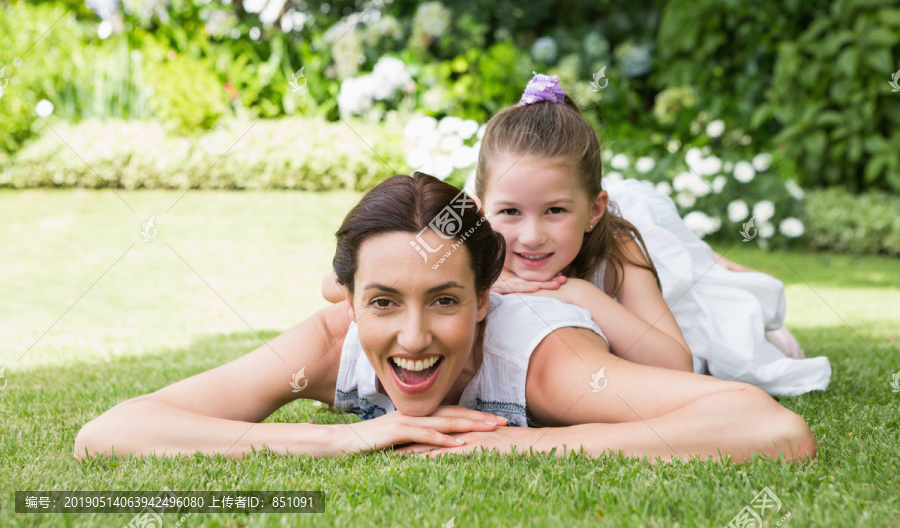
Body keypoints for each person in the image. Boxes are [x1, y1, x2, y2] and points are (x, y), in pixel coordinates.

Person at [74, 173, 815, 463]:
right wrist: (364, 435)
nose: (414, 338)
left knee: (747, 332)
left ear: (486, 299)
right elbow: (107, 434)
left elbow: (770, 427)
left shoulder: (544, 362)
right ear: (352, 298)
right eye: (384, 302)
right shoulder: (332, 344)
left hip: (644, 308)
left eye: (446, 301)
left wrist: (500, 450)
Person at [474, 72, 831, 396]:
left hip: (659, 264)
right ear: (480, 210)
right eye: (509, 212)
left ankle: (736, 275)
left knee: (717, 288)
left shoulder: (618, 249)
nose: (532, 236)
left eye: (555, 211)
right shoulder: (465, 246)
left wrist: (579, 293)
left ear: (593, 211)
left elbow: (677, 365)